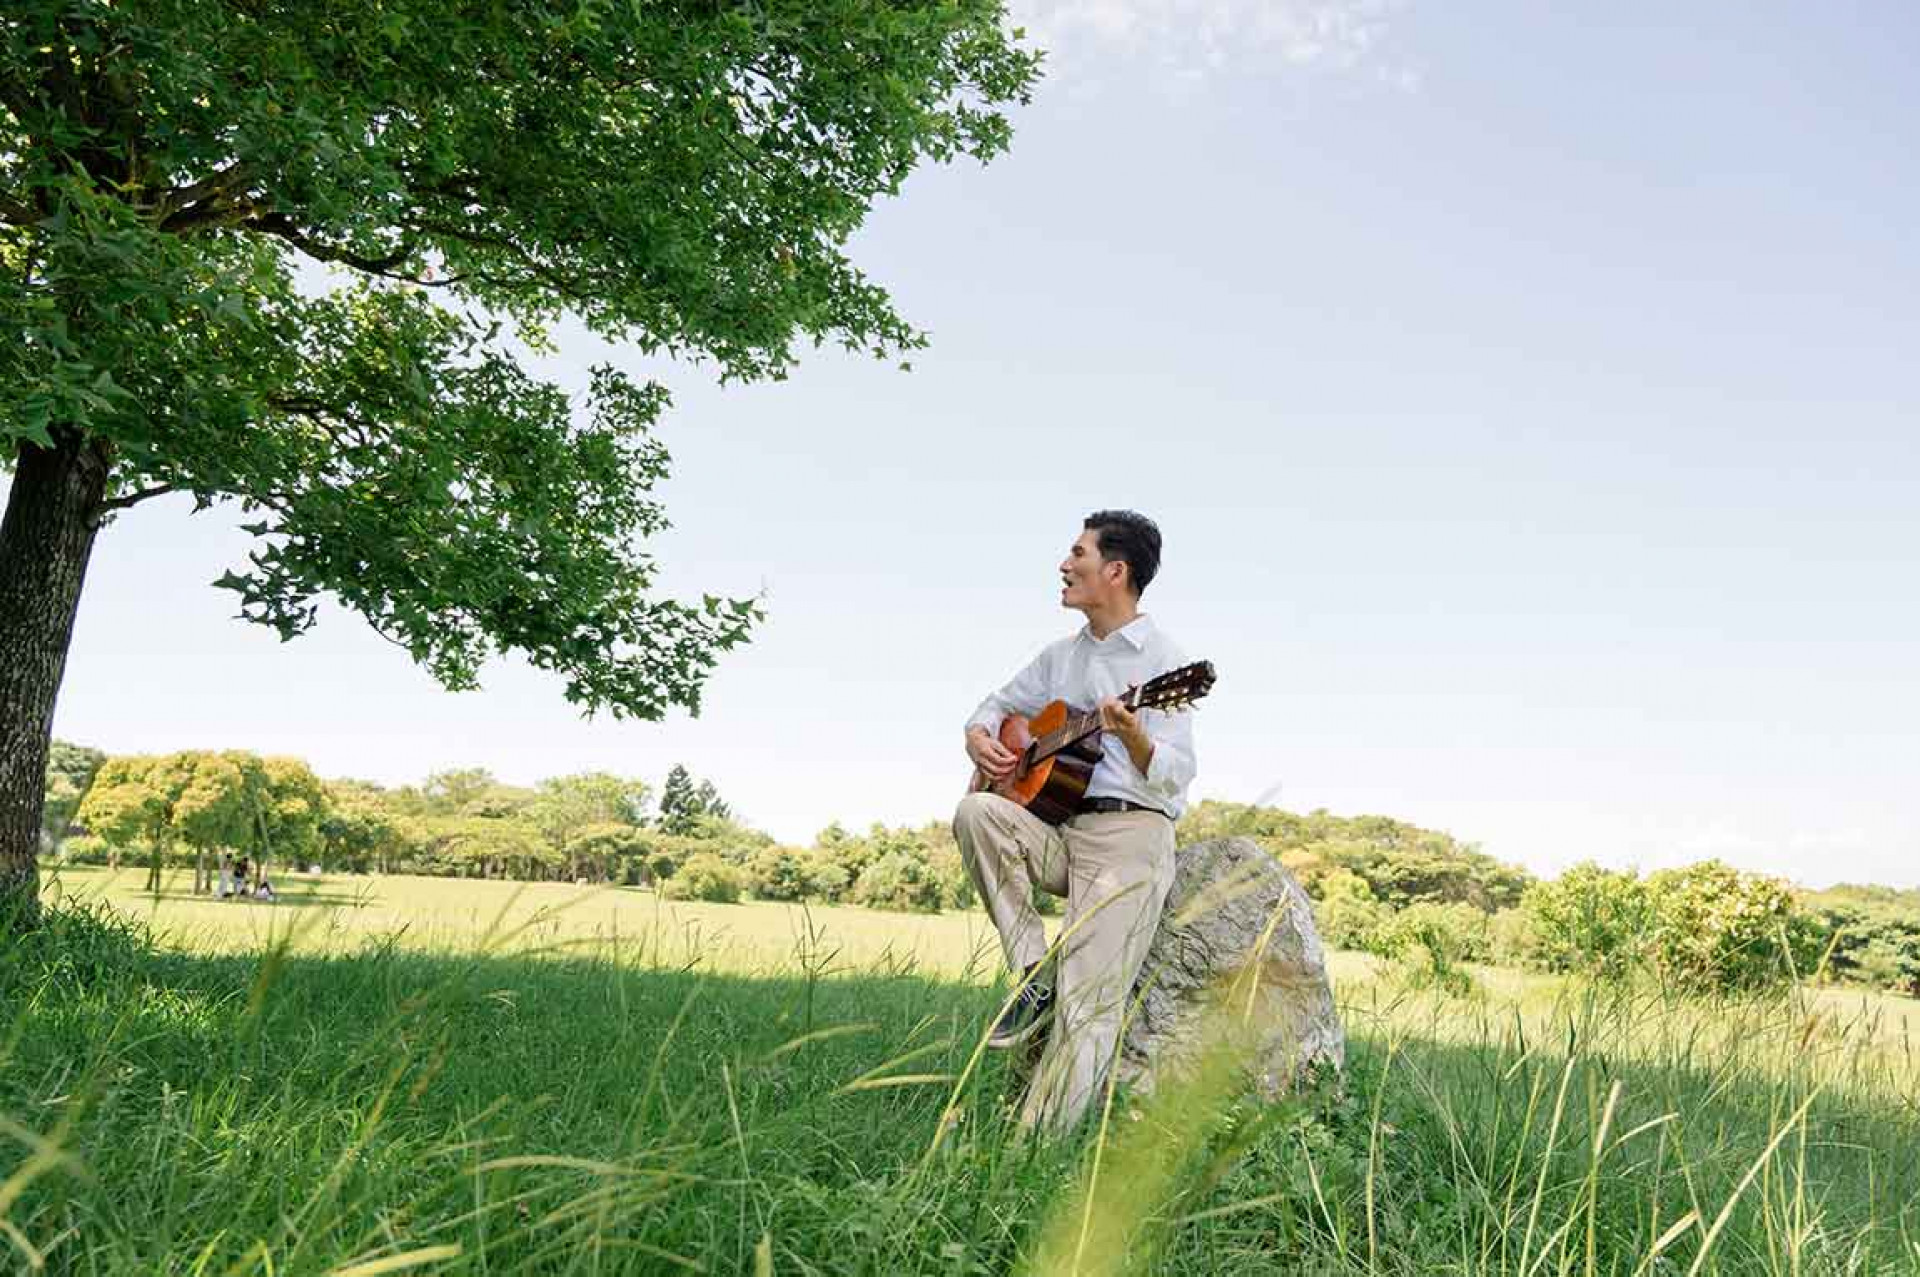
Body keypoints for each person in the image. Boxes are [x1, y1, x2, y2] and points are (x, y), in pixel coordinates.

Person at [954, 509, 1198, 1132]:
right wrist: (979, 738)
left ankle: (1030, 1153)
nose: (1065, 565)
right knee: (978, 810)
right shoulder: (1059, 658)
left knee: (1089, 1008)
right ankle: (1034, 972)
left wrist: (1134, 737)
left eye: (1078, 554)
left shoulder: (1165, 661)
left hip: (1129, 839)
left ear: (1115, 571)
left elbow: (1176, 772)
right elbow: (997, 705)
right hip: (1062, 829)